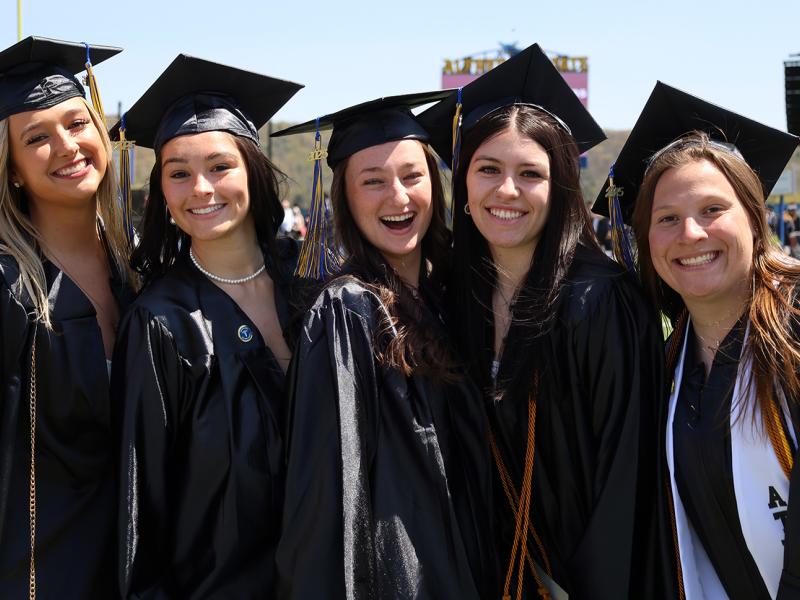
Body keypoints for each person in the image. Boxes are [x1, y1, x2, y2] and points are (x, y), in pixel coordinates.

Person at [419, 43, 666, 599]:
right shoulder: (449, 300)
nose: (506, 191)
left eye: (529, 173)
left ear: (560, 188)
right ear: (462, 183)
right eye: (487, 169)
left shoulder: (602, 305)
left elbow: (627, 485)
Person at [271, 92, 495, 599]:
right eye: (372, 181)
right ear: (345, 198)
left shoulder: (450, 299)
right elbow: (330, 498)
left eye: (413, 176)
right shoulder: (345, 312)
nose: (397, 197)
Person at [596, 81, 800, 599]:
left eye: (713, 209)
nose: (690, 233)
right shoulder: (669, 363)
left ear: (755, 219)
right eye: (667, 219)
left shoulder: (793, 324)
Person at [108, 55, 302, 598]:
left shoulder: (315, 292)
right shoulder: (160, 323)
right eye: (178, 172)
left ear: (252, 172)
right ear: (163, 194)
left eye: (220, 166)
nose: (201, 188)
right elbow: (142, 507)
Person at [0, 37, 134, 598]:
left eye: (77, 123)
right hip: (41, 572)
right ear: (10, 171)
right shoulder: (9, 290)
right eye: (37, 137)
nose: (67, 146)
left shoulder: (138, 274)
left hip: (137, 567)